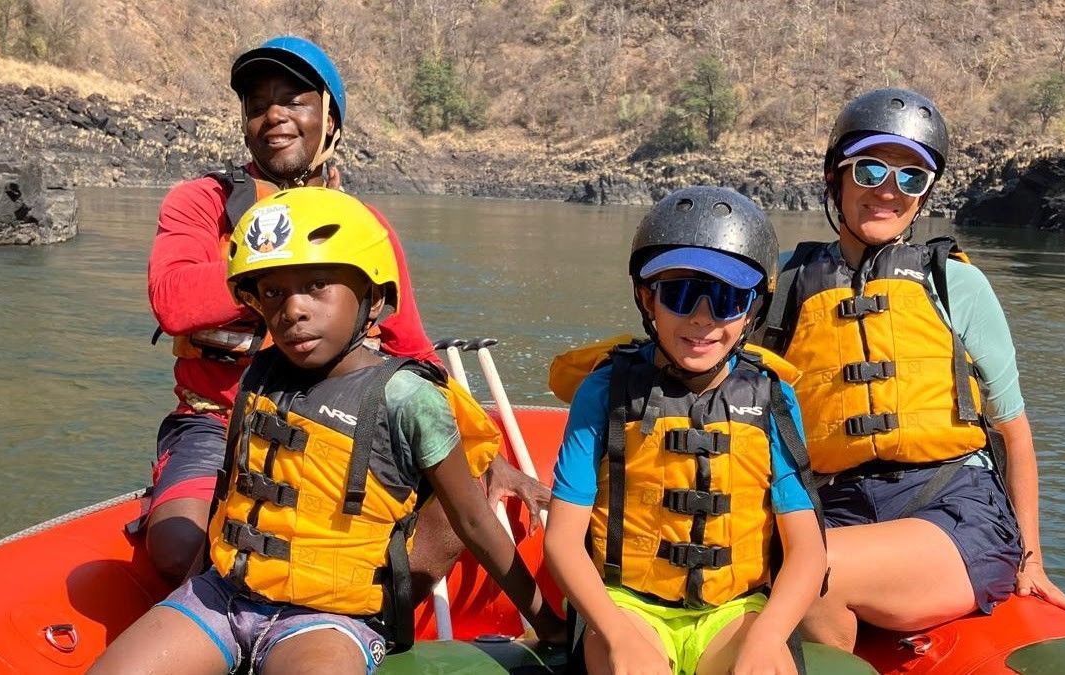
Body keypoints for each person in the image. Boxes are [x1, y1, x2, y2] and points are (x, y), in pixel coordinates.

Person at [93, 187, 563, 675]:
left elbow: (473, 523)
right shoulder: (259, 376)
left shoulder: (409, 398)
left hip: (329, 618)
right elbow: (229, 501)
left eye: (317, 285)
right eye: (273, 292)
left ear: (374, 298)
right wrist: (189, 593)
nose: (293, 310)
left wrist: (547, 625)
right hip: (224, 595)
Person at [145, 35, 543, 586]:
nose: (274, 116)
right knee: (175, 547)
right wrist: (275, 263)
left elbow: (411, 350)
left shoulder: (364, 229)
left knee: (448, 514)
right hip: (217, 422)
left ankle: (366, 628)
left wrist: (488, 449)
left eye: (295, 100)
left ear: (329, 120)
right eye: (257, 105)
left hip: (345, 426)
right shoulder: (201, 202)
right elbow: (172, 299)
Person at [760, 87, 1065, 651]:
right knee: (785, 560)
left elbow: (1013, 433)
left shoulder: (955, 284)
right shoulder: (784, 289)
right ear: (835, 178)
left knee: (810, 570)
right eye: (870, 171)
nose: (888, 192)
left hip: (953, 506)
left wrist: (1033, 561)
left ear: (924, 196)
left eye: (911, 178)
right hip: (831, 506)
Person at [544, 186, 826, 675]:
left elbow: (806, 551)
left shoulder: (772, 399)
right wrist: (614, 635)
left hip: (734, 610)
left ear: (754, 308)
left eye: (727, 299)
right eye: (679, 295)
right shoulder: (605, 394)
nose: (702, 319)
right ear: (646, 298)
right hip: (627, 606)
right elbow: (562, 542)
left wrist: (767, 638)